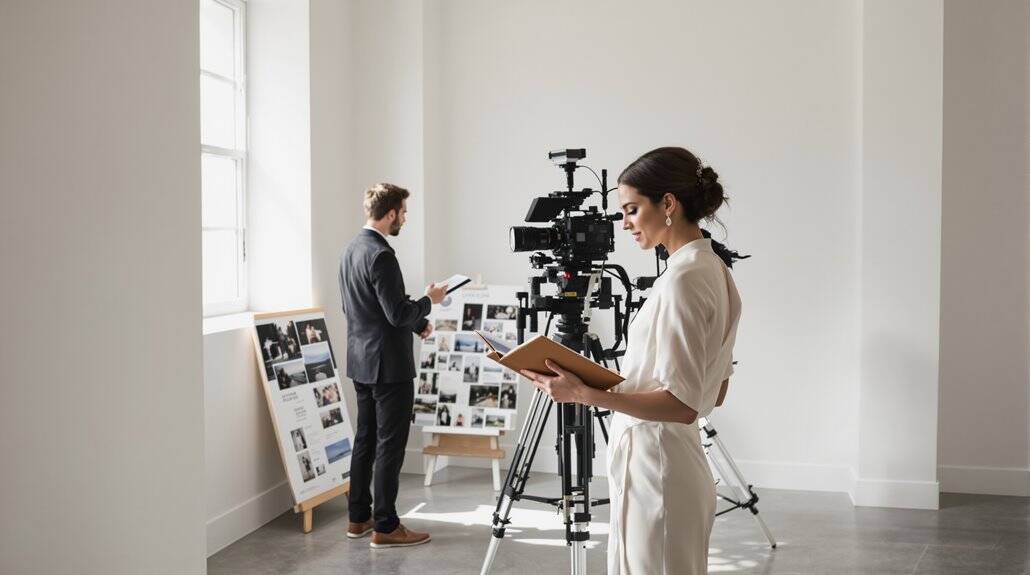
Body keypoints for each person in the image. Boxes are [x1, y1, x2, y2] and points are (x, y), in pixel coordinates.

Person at [520, 147, 744, 574]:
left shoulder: (683, 280)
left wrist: (584, 393)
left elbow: (682, 405)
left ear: (668, 205)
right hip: (666, 465)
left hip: (658, 472)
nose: (622, 224)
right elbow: (717, 390)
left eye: (631, 209)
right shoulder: (712, 268)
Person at [339, 183, 446, 549]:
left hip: (360, 360)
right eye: (403, 212)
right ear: (389, 214)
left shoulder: (352, 249)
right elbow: (396, 311)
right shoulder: (382, 255)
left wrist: (418, 323)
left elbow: (370, 307)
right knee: (390, 445)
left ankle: (358, 518)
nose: (404, 219)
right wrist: (429, 302)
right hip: (389, 367)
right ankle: (385, 525)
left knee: (365, 441)